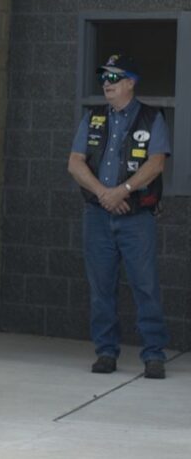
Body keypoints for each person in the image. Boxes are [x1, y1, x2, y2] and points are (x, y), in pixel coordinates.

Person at [67, 54, 170, 379]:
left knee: (145, 286)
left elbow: (156, 164)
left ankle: (154, 355)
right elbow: (75, 163)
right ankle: (106, 352)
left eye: (114, 78)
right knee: (101, 287)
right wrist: (104, 194)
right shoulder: (93, 117)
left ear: (130, 83)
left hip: (137, 218)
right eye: (104, 78)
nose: (106, 85)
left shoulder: (152, 117)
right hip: (98, 215)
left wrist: (122, 191)